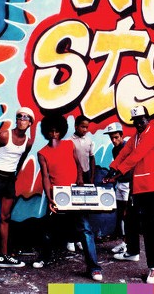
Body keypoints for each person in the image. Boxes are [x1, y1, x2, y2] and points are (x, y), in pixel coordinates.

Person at [33, 113, 103, 282]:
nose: (54, 134)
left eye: (57, 131)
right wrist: (49, 198)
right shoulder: (42, 153)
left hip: (73, 193)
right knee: (48, 229)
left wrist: (79, 179)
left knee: (85, 229)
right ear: (46, 132)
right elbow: (45, 177)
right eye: (51, 131)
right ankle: (44, 257)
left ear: (62, 131)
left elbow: (78, 164)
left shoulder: (69, 145)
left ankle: (94, 268)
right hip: (57, 196)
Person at [103, 105, 154, 284]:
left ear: (148, 119)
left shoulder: (153, 134)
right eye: (135, 121)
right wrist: (112, 168)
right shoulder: (136, 136)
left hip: (151, 185)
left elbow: (135, 156)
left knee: (148, 225)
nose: (138, 123)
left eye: (141, 120)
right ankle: (132, 252)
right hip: (138, 185)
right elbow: (124, 152)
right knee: (130, 217)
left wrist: (117, 173)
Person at [0, 107, 34, 267]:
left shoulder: (28, 142)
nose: (22, 119)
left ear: (30, 123)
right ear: (16, 120)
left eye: (25, 117)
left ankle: (4, 255)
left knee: (5, 218)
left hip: (9, 180)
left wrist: (13, 175)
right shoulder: (4, 136)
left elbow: (21, 160)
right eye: (19, 116)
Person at [68, 114, 96, 251]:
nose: (85, 130)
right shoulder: (69, 141)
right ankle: (70, 240)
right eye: (82, 127)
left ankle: (80, 239)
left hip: (85, 176)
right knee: (72, 209)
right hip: (73, 176)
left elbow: (92, 159)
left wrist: (91, 178)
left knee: (84, 208)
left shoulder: (89, 141)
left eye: (87, 127)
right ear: (76, 126)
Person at [103, 122, 131, 254]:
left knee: (126, 214)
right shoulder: (114, 150)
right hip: (120, 184)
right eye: (111, 138)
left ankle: (128, 245)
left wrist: (113, 178)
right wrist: (109, 176)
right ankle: (124, 243)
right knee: (120, 214)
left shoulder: (127, 147)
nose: (113, 140)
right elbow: (116, 165)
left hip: (128, 184)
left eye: (116, 137)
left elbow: (127, 168)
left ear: (121, 135)